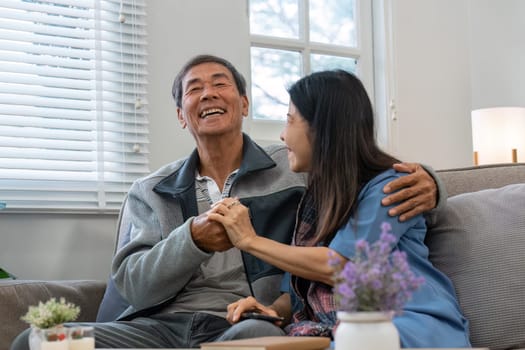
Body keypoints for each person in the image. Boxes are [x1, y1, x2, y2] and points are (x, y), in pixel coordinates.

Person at [11, 55, 440, 350]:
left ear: (244, 103)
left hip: (240, 324)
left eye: (222, 84)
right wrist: (191, 240)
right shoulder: (149, 191)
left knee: (257, 341)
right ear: (182, 114)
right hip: (156, 327)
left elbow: (358, 166)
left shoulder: (296, 167)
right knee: (35, 341)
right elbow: (132, 286)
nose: (210, 93)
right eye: (194, 89)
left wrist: (431, 183)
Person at [208, 70, 470, 347]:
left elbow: (342, 267)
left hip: (409, 327)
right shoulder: (315, 201)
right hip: (346, 331)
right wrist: (272, 312)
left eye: (290, 120)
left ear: (321, 128)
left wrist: (249, 241)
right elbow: (296, 290)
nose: (283, 135)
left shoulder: (391, 187)